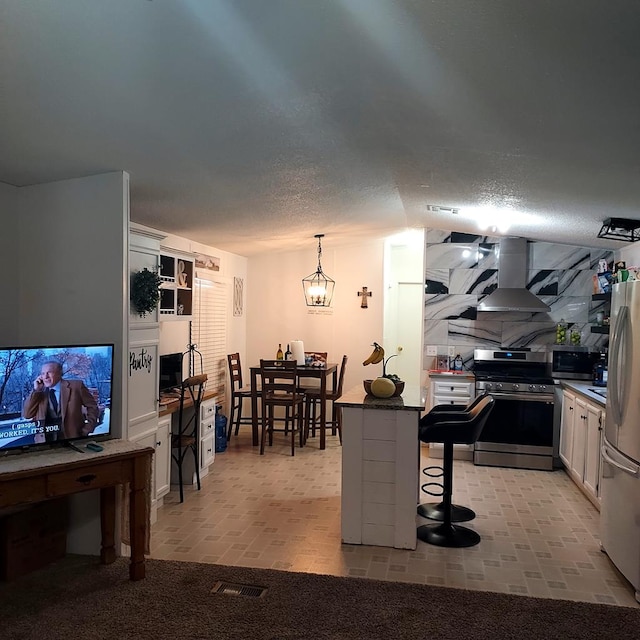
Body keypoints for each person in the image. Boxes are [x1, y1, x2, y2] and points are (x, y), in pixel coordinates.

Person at [22, 360, 99, 443]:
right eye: (43, 373)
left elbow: (93, 407)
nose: (45, 377)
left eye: (49, 372)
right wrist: (36, 391)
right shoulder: (39, 392)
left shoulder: (76, 386)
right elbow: (27, 415)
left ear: (59, 373)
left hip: (72, 441)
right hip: (45, 443)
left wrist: (87, 429)